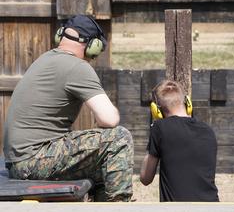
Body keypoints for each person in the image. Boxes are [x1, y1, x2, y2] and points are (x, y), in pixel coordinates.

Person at [3, 15, 133, 202]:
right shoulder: (77, 67)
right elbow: (109, 119)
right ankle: (119, 207)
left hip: (19, 162)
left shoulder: (45, 58)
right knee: (118, 139)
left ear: (60, 36)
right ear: (92, 46)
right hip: (33, 159)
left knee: (102, 165)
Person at [140, 80, 219, 202]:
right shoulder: (208, 130)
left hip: (177, 208)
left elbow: (145, 178)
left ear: (156, 109)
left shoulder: (160, 128)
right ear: (188, 103)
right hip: (212, 206)